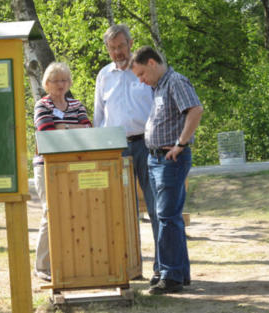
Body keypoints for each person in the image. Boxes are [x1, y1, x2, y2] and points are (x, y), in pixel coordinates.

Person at [130, 46, 203, 294]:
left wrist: (180, 144)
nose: (141, 80)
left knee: (166, 216)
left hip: (170, 159)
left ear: (152, 63)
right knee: (169, 217)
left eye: (141, 74)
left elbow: (195, 110)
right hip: (156, 159)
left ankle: (170, 276)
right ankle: (177, 272)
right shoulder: (159, 86)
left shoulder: (175, 81)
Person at [93, 24, 159, 283]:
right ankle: (129, 267)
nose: (118, 52)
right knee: (121, 210)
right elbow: (99, 116)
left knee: (155, 207)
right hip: (115, 149)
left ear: (131, 44)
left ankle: (160, 267)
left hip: (146, 144)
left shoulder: (144, 71)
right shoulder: (103, 76)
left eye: (121, 46)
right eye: (112, 48)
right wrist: (98, 149)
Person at [33, 62, 92, 281]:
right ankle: (42, 266)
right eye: (57, 80)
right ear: (47, 83)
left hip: (74, 166)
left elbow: (88, 129)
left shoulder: (76, 104)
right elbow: (48, 132)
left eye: (65, 80)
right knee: (51, 213)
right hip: (46, 166)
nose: (61, 84)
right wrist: (72, 128)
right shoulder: (42, 105)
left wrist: (64, 128)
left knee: (74, 212)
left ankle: (69, 261)